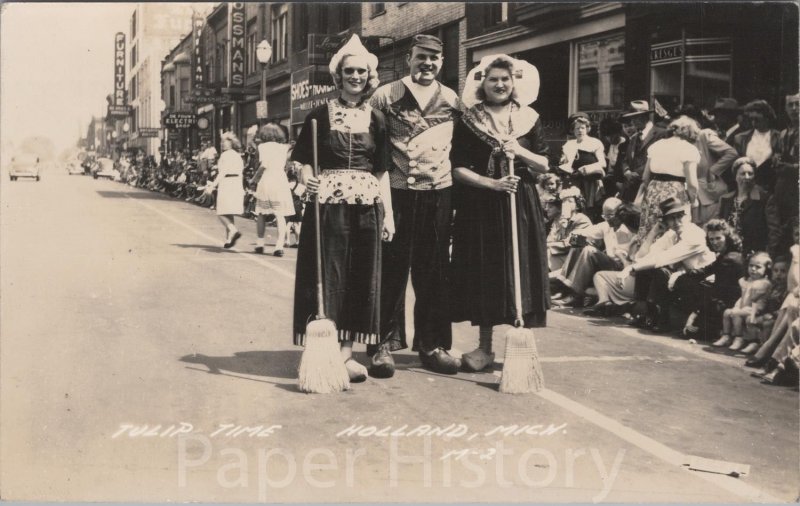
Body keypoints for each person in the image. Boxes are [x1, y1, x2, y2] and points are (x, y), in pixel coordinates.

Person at [290, 34, 393, 382]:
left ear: (369, 77)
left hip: (366, 205)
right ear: (338, 76)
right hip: (328, 205)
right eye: (349, 71)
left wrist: (388, 215)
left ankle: (347, 355)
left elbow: (381, 172)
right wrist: (308, 180)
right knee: (327, 275)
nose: (355, 77)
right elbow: (302, 161)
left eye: (361, 72)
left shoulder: (378, 118)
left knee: (360, 276)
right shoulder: (319, 115)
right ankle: (323, 349)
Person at [448, 54, 551, 372]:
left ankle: (523, 344)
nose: (500, 84)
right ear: (483, 83)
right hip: (483, 204)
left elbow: (546, 163)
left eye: (505, 78)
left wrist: (518, 150)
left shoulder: (529, 118)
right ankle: (484, 347)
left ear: (513, 82)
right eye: (493, 78)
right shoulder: (468, 120)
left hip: (521, 201)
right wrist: (492, 184)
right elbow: (456, 169)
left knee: (522, 267)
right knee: (487, 271)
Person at [368, 34, 462, 377]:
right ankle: (382, 344)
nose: (428, 64)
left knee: (435, 272)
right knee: (392, 269)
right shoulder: (385, 95)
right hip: (397, 192)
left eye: (434, 59)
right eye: (421, 57)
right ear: (409, 58)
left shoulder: (451, 99)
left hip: (438, 192)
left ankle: (432, 345)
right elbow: (371, 150)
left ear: (442, 62)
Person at [622, 197, 716, 330]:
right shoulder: (671, 235)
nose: (677, 222)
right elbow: (642, 257)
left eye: (680, 216)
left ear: (687, 216)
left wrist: (631, 268)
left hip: (703, 282)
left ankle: (662, 318)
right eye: (672, 218)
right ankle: (646, 313)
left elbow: (663, 258)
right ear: (665, 221)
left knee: (659, 270)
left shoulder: (695, 235)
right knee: (645, 269)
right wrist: (654, 232)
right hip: (684, 279)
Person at [551, 198, 635, 307]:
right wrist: (572, 241)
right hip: (607, 263)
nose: (607, 219)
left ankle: (576, 295)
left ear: (620, 214)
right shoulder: (606, 226)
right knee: (579, 243)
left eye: (610, 216)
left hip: (621, 267)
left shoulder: (627, 229)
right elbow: (581, 232)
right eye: (604, 216)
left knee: (589, 251)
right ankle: (566, 288)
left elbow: (623, 256)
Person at [672, 219, 745, 340]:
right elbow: (705, 270)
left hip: (728, 304)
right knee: (686, 280)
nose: (715, 242)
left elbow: (719, 291)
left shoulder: (730, 258)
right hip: (723, 301)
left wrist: (697, 311)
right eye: (711, 239)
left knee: (691, 331)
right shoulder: (726, 255)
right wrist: (679, 276)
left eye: (718, 238)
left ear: (727, 237)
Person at [633, 115, 701, 241]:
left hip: (653, 191)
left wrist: (653, 192)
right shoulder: (689, 149)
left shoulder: (657, 145)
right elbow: (692, 183)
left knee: (651, 229)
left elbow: (645, 177)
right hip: (674, 193)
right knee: (675, 229)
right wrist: (694, 201)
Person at [712, 251, 773, 351]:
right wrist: (737, 306)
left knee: (737, 314)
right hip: (746, 307)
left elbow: (754, 300)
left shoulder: (763, 283)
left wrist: (740, 309)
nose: (753, 269)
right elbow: (743, 297)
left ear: (766, 269)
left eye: (758, 267)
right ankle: (726, 335)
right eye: (751, 266)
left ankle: (741, 338)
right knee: (727, 312)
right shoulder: (747, 281)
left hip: (756, 309)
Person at [252, 124, 294, 257]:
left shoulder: (262, 146)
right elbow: (286, 165)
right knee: (280, 214)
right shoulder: (284, 147)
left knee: (261, 213)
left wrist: (254, 179)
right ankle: (279, 246)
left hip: (267, 179)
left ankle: (260, 243)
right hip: (280, 180)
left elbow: (263, 165)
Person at [766, 93, 800, 257]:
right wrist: (776, 160)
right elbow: (777, 156)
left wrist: (789, 167)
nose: (794, 109)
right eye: (790, 105)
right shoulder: (783, 134)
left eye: (798, 104)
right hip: (782, 192)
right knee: (781, 237)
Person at [558, 113, 606, 221]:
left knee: (588, 209)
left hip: (589, 181)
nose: (580, 131)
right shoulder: (569, 144)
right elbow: (565, 163)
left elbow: (603, 163)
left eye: (582, 128)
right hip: (572, 180)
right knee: (572, 207)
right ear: (573, 130)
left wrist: (584, 169)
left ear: (587, 129)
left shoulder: (595, 143)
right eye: (577, 128)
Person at [618, 100, 670, 202]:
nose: (632, 121)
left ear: (643, 117)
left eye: (635, 118)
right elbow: (625, 159)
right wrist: (626, 171)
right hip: (630, 190)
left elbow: (660, 159)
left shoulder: (661, 134)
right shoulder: (634, 138)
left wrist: (637, 173)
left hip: (650, 187)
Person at [718, 157, 769, 256]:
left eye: (750, 173)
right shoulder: (725, 200)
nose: (747, 177)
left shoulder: (763, 199)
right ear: (735, 176)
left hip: (754, 253)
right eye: (742, 173)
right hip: (729, 252)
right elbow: (720, 227)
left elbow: (772, 231)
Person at [732, 100, 781, 194]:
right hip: (746, 186)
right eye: (751, 119)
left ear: (767, 117)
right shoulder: (741, 138)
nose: (753, 123)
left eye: (757, 119)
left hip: (769, 188)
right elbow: (736, 164)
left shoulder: (778, 137)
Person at [211, 132, 245, 248]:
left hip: (226, 183)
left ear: (231, 142)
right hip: (236, 184)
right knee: (228, 212)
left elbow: (223, 172)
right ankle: (229, 239)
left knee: (220, 212)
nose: (222, 144)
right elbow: (240, 172)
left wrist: (212, 186)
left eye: (224, 141)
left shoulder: (226, 155)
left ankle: (233, 230)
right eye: (221, 141)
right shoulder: (237, 155)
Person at [545, 187, 592, 273]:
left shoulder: (582, 219)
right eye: (564, 201)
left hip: (578, 261)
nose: (566, 204)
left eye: (570, 201)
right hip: (564, 256)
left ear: (577, 205)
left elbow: (573, 243)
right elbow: (552, 239)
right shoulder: (563, 220)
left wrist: (546, 245)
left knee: (546, 252)